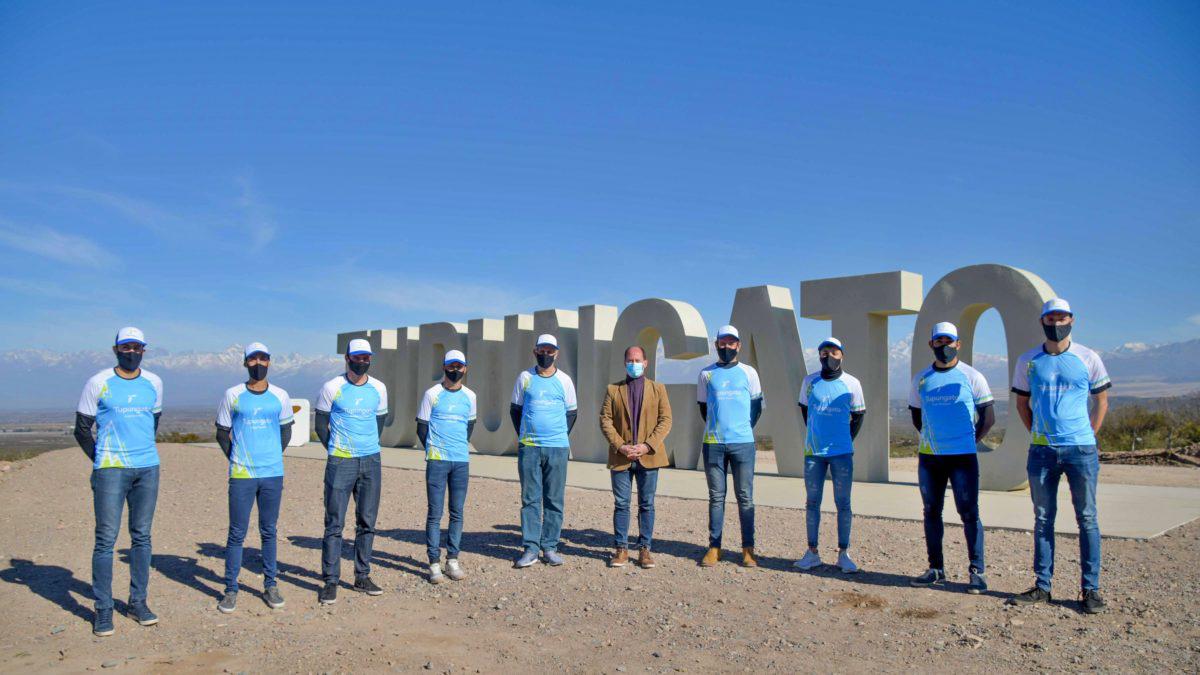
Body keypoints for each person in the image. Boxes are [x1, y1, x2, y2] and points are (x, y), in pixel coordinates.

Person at [1007, 299, 1111, 614]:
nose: (1056, 323)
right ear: (1043, 321)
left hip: (1080, 450)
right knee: (1042, 519)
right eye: (1051, 318)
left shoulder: (1088, 357)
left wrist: (1089, 435)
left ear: (1071, 320)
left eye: (1061, 318)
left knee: (1087, 518)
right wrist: (1038, 433)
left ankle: (1090, 590)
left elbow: (1101, 400)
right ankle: (1042, 586)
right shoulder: (1028, 360)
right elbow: (1022, 403)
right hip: (1042, 451)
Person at [74, 326, 164, 636]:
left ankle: (138, 602)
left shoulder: (154, 382)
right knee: (106, 539)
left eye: (136, 347)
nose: (131, 352)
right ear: (116, 350)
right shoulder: (98, 382)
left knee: (142, 537)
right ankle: (103, 608)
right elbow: (82, 429)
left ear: (143, 350)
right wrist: (102, 460)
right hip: (111, 470)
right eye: (126, 347)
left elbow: (152, 421)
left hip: (147, 468)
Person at [906, 323, 995, 593]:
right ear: (931, 344)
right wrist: (933, 439)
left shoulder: (972, 376)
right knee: (931, 511)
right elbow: (917, 416)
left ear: (958, 344)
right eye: (939, 341)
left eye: (949, 341)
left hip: (962, 457)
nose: (944, 346)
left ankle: (977, 571)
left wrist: (967, 441)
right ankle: (936, 568)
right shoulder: (921, 379)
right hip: (930, 458)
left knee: (969, 513)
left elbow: (988, 417)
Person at [214, 342, 295, 613]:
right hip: (242, 474)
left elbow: (285, 431)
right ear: (245, 362)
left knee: (269, 530)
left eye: (263, 359)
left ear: (269, 361)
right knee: (237, 532)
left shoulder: (280, 395)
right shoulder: (233, 394)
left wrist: (271, 455)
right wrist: (237, 458)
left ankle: (270, 584)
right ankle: (230, 588)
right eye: (253, 359)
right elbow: (222, 432)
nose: (258, 363)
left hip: (272, 473)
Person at [314, 338, 389, 604]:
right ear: (347, 358)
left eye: (366, 357)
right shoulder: (332, 387)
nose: (362, 361)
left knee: (367, 522)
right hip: (341, 461)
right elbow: (321, 425)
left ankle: (362, 576)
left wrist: (366, 447)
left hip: (371, 460)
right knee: (334, 523)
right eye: (357, 357)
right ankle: (330, 580)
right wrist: (336, 450)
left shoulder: (379, 388)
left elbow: (379, 423)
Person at [793, 337, 865, 574]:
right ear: (819, 355)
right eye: (824, 352)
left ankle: (844, 554)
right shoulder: (809, 381)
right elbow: (805, 410)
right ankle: (812, 552)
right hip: (814, 453)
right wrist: (817, 435)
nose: (829, 356)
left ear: (841, 355)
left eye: (834, 352)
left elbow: (858, 415)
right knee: (812, 502)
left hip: (841, 453)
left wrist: (844, 439)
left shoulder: (852, 383)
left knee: (843, 503)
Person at [599, 345, 673, 569]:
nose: (634, 364)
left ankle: (644, 549)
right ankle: (621, 548)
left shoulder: (658, 389)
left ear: (646, 363)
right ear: (625, 363)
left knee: (646, 504)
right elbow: (605, 420)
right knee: (621, 504)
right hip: (621, 457)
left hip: (648, 457)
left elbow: (666, 420)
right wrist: (621, 446)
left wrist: (647, 445)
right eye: (630, 360)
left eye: (637, 360)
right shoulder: (613, 389)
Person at [697, 325, 764, 568]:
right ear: (716, 345)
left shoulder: (749, 372)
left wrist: (741, 429)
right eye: (722, 343)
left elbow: (756, 407)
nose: (727, 347)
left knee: (745, 497)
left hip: (743, 443)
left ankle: (748, 549)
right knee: (716, 497)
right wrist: (718, 428)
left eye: (731, 342)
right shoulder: (706, 374)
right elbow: (704, 408)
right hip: (713, 443)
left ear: (739, 345)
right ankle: (714, 547)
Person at [510, 334, 578, 568]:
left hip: (557, 448)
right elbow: (515, 410)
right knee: (530, 499)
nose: (546, 354)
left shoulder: (565, 380)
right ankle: (530, 548)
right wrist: (527, 435)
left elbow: (572, 413)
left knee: (554, 499)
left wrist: (557, 436)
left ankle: (549, 547)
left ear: (556, 353)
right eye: (542, 350)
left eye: (550, 351)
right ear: (535, 351)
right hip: (529, 447)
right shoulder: (525, 378)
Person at [416, 350, 477, 584]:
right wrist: (435, 450)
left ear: (465, 368)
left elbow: (469, 426)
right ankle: (434, 563)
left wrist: (456, 447)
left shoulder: (470, 396)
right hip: (437, 461)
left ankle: (452, 560)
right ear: (444, 367)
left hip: (460, 461)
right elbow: (422, 427)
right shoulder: (432, 394)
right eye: (451, 366)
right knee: (435, 513)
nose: (455, 370)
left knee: (457, 512)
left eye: (459, 366)